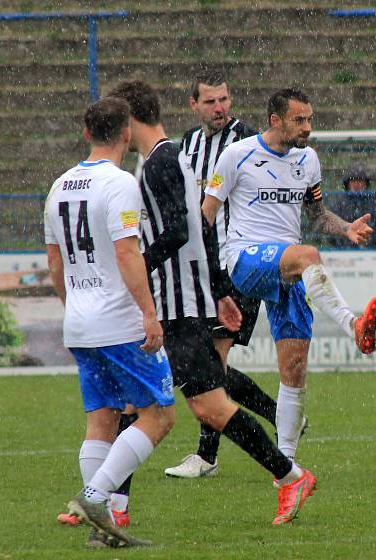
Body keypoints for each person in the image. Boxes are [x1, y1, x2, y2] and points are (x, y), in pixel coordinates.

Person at [107, 79, 315, 525]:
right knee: (135, 401)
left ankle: (288, 474)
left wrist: (139, 265)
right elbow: (199, 229)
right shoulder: (167, 157)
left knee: (208, 405)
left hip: (182, 307)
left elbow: (184, 231)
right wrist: (221, 290)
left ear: (128, 122)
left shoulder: (162, 162)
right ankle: (111, 504)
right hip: (181, 300)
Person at [202, 88, 376, 462]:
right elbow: (206, 215)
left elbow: (317, 216)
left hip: (290, 267)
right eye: (299, 120)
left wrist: (347, 227)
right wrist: (209, 271)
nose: (307, 128)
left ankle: (285, 469)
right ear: (276, 120)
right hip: (246, 261)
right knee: (309, 255)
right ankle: (353, 325)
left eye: (310, 119)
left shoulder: (308, 159)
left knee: (295, 368)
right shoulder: (237, 155)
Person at [46, 97, 174, 547]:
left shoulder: (59, 186)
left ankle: (107, 532)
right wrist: (148, 312)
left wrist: (73, 307)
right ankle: (95, 496)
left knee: (101, 421)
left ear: (86, 133)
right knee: (159, 414)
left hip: (80, 324)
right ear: (125, 134)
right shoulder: (120, 183)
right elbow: (126, 252)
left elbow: (55, 264)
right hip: (118, 323)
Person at [165, 68, 284, 479]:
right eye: (211, 101)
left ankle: (207, 456)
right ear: (194, 104)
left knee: (212, 364)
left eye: (224, 100)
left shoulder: (248, 141)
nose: (219, 108)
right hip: (203, 270)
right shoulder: (189, 143)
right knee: (212, 368)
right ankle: (280, 415)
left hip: (237, 265)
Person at [329, 163, 376, 248]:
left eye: (360, 180)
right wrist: (350, 243)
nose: (356, 184)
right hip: (346, 252)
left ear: (366, 183)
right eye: (353, 181)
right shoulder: (338, 204)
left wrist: (372, 241)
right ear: (348, 183)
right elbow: (333, 231)